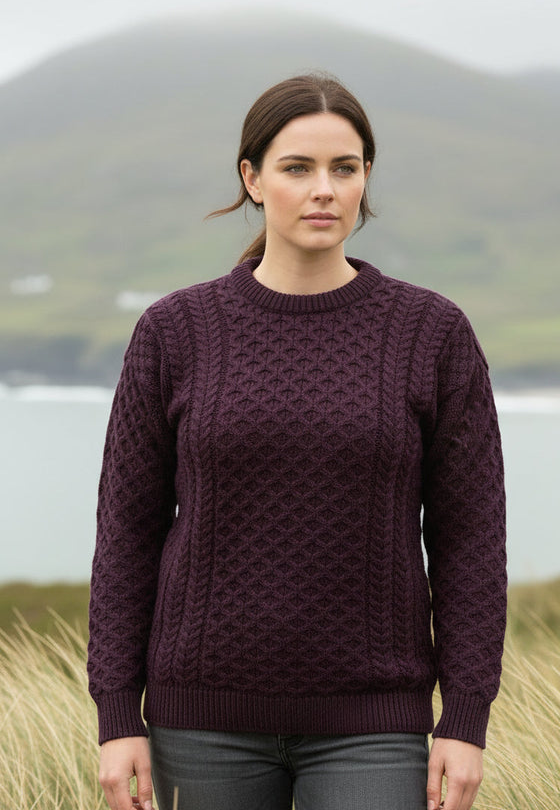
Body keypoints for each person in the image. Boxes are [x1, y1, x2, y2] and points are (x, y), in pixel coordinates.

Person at [88, 73, 507, 810]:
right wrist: (118, 714)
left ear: (366, 178)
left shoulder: (432, 334)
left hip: (374, 727)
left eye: (344, 168)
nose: (324, 189)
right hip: (199, 723)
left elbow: (470, 542)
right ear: (251, 178)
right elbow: (126, 535)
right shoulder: (174, 333)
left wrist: (465, 720)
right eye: (296, 168)